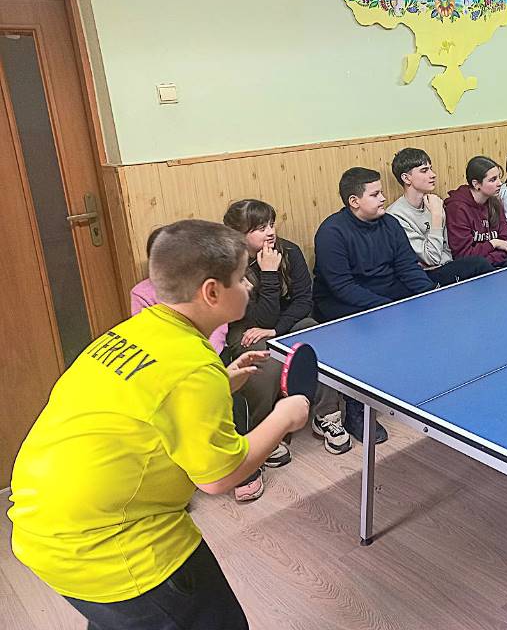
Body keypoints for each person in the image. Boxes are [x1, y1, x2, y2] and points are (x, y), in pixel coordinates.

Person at [8, 219, 309, 630]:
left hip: (42, 527)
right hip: (111, 546)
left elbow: (147, 396)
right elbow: (219, 477)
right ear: (212, 292)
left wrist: (221, 381)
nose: (249, 286)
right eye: (242, 278)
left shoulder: (132, 331)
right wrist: (285, 415)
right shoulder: (193, 368)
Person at [223, 200, 342, 491]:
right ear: (239, 234)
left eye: (271, 225)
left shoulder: (289, 251)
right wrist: (268, 274)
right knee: (264, 355)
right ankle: (265, 432)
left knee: (314, 333)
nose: (270, 232)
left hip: (284, 322)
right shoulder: (229, 265)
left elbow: (304, 301)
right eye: (260, 228)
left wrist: (277, 329)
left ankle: (327, 415)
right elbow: (256, 319)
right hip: (246, 330)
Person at [313, 167, 435, 443]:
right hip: (341, 301)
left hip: (384, 292)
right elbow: (341, 286)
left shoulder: (390, 224)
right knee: (370, 329)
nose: (383, 198)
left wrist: (431, 297)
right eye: (375, 194)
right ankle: (357, 410)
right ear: (354, 201)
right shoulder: (332, 232)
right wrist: (387, 308)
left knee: (422, 311)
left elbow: (407, 267)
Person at [386, 147, 492, 286]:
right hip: (426, 275)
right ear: (406, 178)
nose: (433, 174)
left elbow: (447, 249)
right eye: (424, 170)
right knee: (479, 264)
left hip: (446, 265)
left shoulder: (433, 202)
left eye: (431, 169)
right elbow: (432, 259)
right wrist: (436, 217)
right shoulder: (396, 215)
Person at [131, 226, 227, 355]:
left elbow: (218, 324)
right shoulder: (141, 293)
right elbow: (147, 333)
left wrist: (208, 352)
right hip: (170, 354)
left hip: (210, 351)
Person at [444, 156, 507, 266]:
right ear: (476, 184)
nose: (500, 183)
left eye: (499, 178)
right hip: (473, 269)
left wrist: (492, 258)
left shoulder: (494, 202)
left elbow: (506, 244)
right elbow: (464, 255)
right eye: (493, 180)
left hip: (496, 263)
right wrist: (493, 243)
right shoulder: (457, 209)